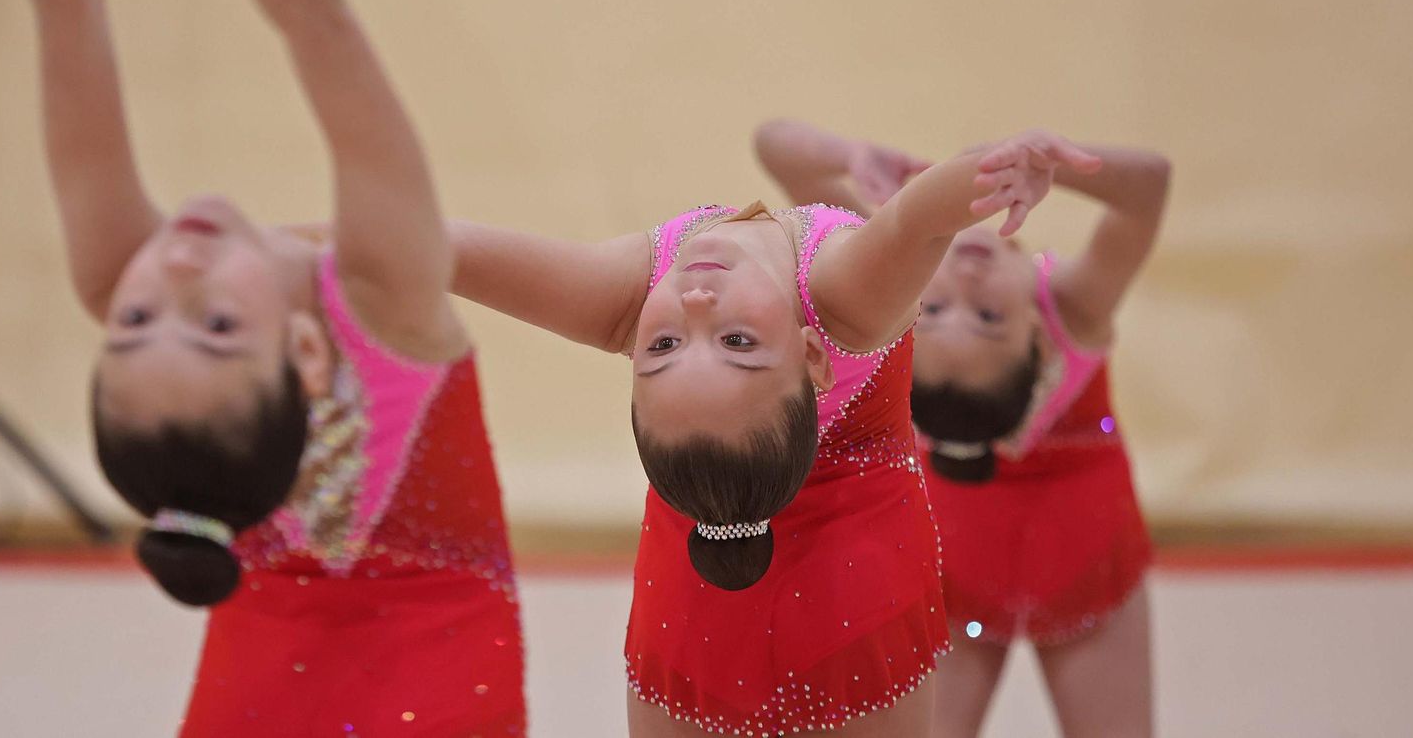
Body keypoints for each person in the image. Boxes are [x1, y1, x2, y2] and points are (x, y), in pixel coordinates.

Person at [0, 0, 524, 734]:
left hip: (283, 671)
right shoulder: (389, 301)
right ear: (308, 355)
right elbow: (320, 23)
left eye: (131, 325)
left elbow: (65, 32)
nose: (168, 277)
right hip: (441, 680)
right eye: (215, 326)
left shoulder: (118, 266)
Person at [450, 127, 1100, 735]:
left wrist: (359, 249)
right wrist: (998, 171)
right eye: (737, 342)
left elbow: (438, 251)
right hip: (858, 597)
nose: (695, 304)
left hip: (701, 591)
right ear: (812, 355)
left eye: (664, 346)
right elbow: (918, 216)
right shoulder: (846, 298)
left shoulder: (630, 297)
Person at [756, 118, 1169, 738]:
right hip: (1021, 556)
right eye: (985, 316)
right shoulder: (1075, 307)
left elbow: (777, 149)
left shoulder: (891, 286)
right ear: (1039, 335)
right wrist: (1064, 165)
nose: (968, 284)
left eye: (944, 312)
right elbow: (1149, 188)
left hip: (1025, 556)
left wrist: (853, 154)